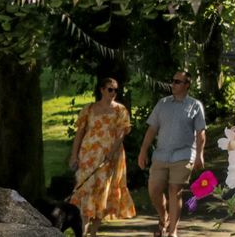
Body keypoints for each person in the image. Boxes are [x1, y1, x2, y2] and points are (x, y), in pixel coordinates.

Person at [137, 69, 207, 237]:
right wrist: (143, 151)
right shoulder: (162, 103)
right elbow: (152, 129)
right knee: (154, 189)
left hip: (183, 155)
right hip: (161, 155)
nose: (173, 84)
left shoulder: (195, 105)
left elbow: (201, 133)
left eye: (177, 81)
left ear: (187, 85)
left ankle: (172, 231)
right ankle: (163, 217)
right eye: (172, 80)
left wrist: (199, 155)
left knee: (174, 189)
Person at [67, 77, 136, 237]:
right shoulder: (89, 109)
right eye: (110, 89)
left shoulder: (120, 110)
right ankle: (83, 230)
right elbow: (79, 134)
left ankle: (94, 231)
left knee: (103, 191)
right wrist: (74, 155)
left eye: (116, 90)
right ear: (102, 90)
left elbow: (120, 135)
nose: (113, 93)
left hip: (109, 157)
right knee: (85, 189)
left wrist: (111, 153)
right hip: (88, 155)